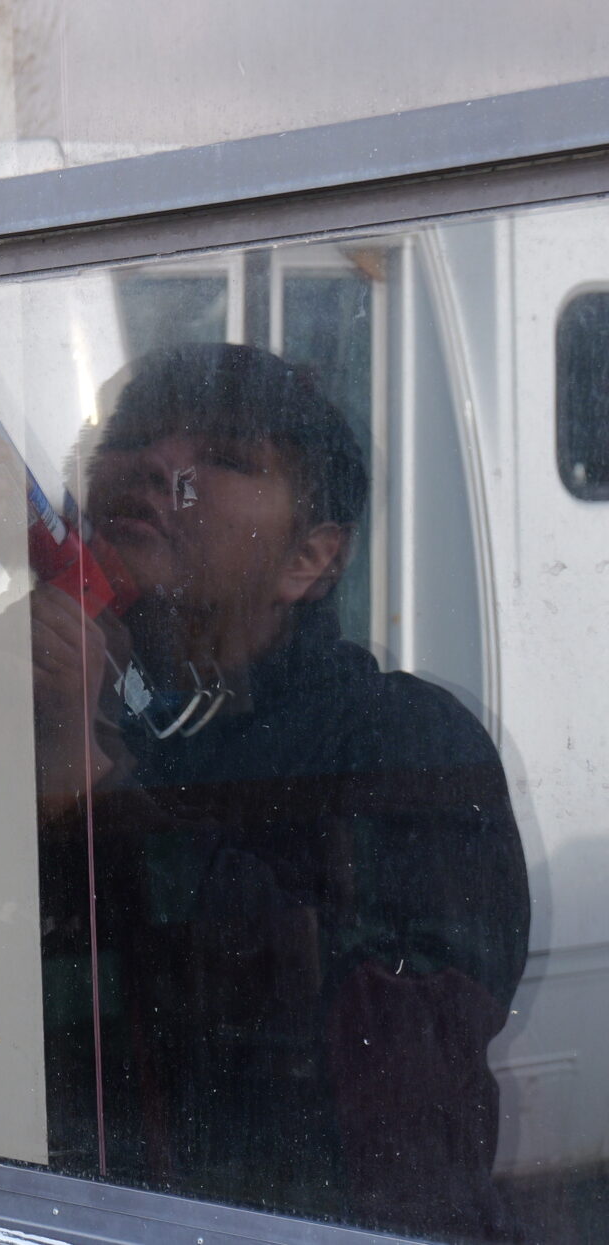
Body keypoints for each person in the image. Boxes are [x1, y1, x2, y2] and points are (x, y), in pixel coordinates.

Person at [30, 342, 530, 1241]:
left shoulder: (400, 740)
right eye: (133, 437)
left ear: (311, 557)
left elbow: (358, 1047)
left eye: (224, 457)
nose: (157, 464)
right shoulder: (88, 706)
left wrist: (89, 782)